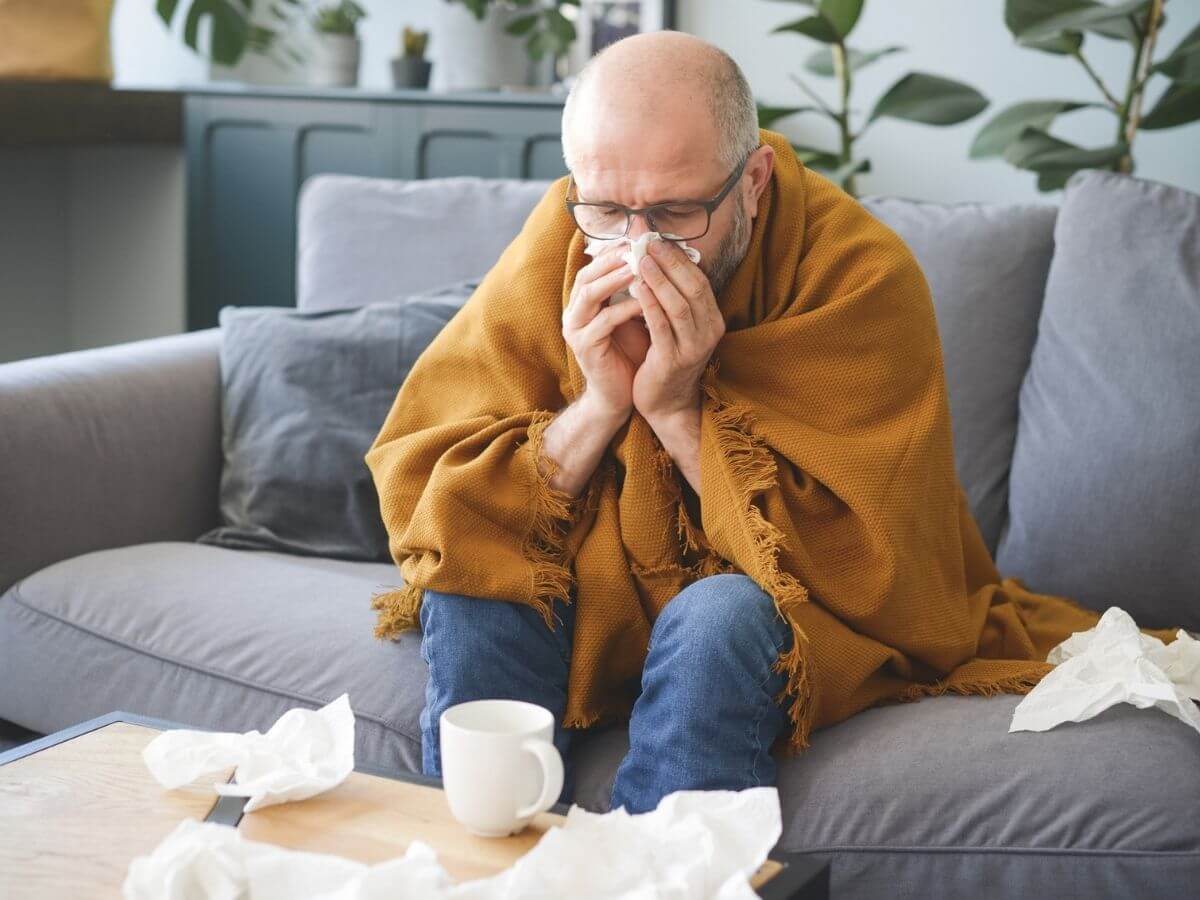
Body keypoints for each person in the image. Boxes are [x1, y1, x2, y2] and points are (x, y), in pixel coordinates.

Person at [364, 30, 1186, 816]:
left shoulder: (862, 276)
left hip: (773, 605)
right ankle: (474, 868)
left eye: (677, 215)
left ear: (753, 180)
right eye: (609, 210)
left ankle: (664, 875)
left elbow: (872, 562)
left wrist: (678, 409)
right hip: (598, 579)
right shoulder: (566, 233)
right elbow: (440, 489)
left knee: (721, 615)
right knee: (472, 586)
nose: (638, 249)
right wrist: (604, 403)